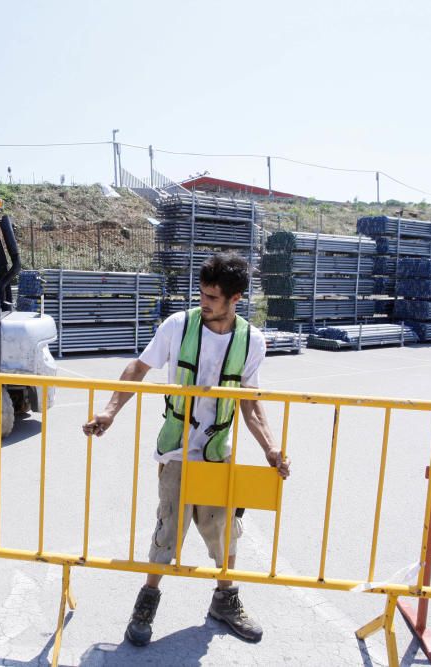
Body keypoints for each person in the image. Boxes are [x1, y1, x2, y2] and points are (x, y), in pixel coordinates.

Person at [81, 252, 291, 647]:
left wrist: (271, 448)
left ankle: (225, 601)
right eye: (202, 293)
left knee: (223, 534)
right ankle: (146, 604)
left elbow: (250, 400)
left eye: (214, 297)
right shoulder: (178, 326)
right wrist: (110, 411)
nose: (205, 302)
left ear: (236, 299)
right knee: (167, 532)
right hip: (177, 451)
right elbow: (138, 368)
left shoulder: (251, 340)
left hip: (217, 452)